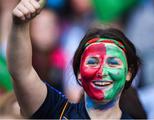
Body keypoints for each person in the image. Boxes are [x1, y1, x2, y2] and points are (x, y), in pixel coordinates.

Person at [7, 0, 144, 119]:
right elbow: (21, 72)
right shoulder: (57, 112)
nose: (101, 71)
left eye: (113, 63)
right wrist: (19, 26)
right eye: (92, 62)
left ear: (129, 73)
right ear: (79, 71)